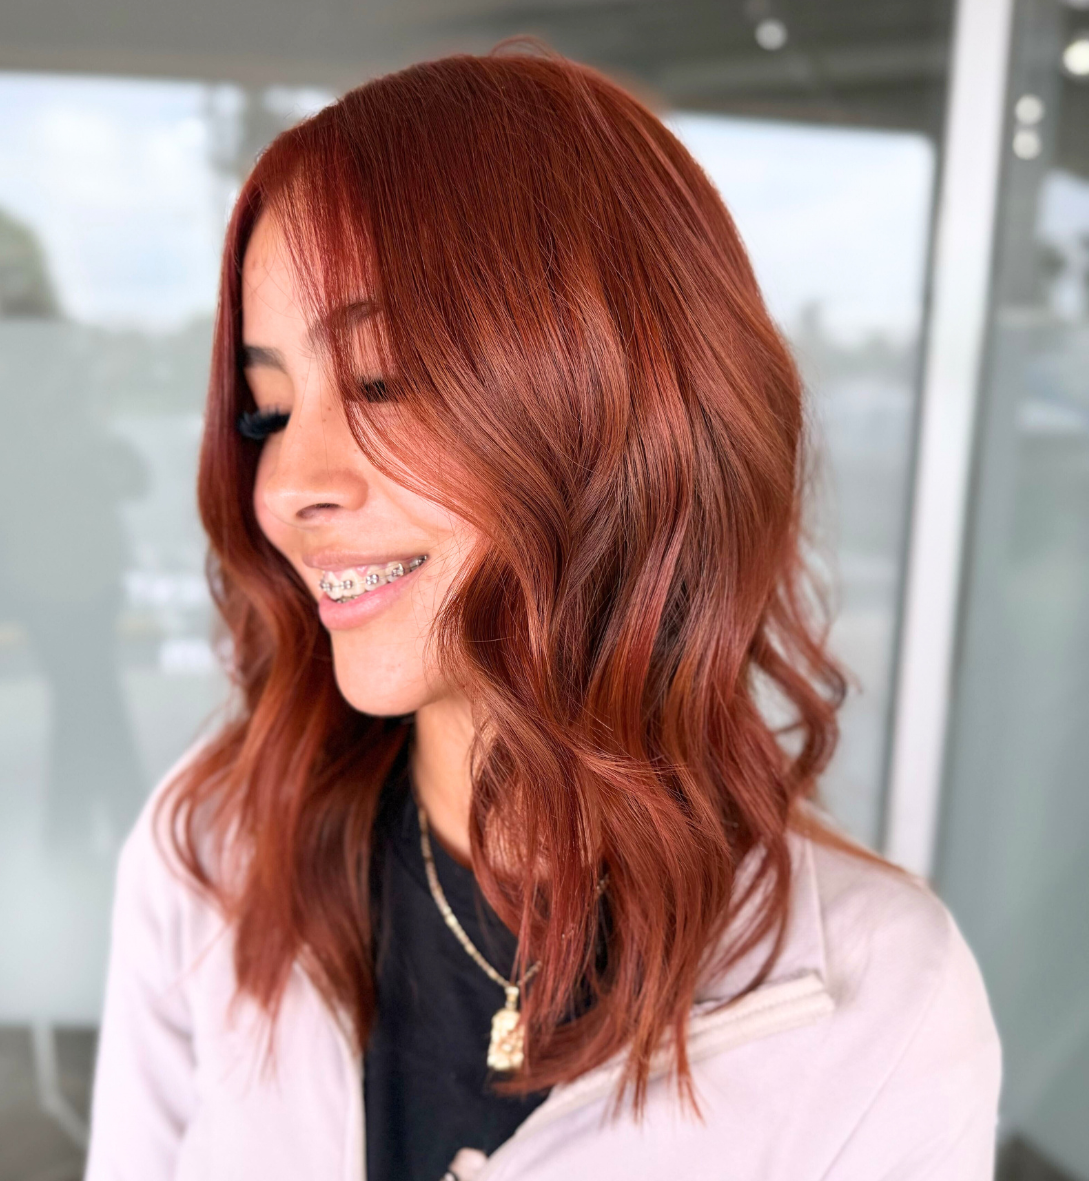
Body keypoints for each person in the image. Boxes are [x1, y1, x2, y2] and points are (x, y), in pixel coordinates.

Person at [84, 49, 1001, 1181]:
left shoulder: (880, 1005)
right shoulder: (213, 850)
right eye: (270, 410)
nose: (283, 487)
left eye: (380, 381)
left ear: (618, 404)